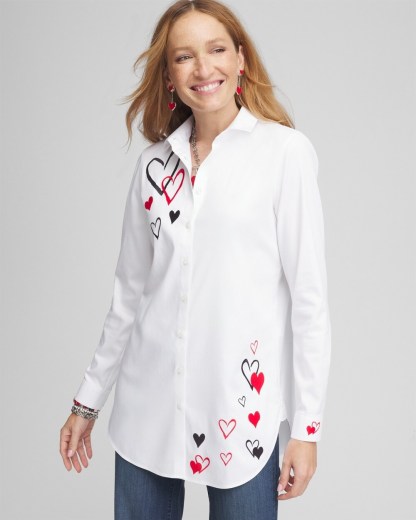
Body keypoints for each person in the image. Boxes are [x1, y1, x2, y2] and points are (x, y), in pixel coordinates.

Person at [59, 0, 331, 518]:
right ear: (169, 76)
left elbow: (309, 302)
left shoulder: (284, 154)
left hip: (239, 414)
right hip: (147, 411)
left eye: (217, 50)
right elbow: (129, 296)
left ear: (241, 59)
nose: (203, 68)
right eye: (184, 57)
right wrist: (86, 402)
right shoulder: (153, 167)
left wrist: (306, 427)